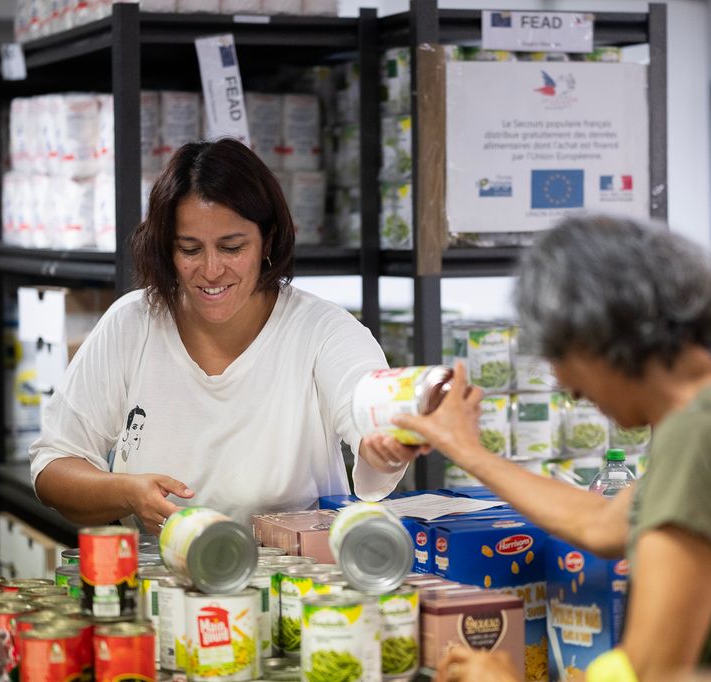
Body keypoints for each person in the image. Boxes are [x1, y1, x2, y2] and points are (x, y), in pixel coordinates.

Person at [394, 215, 711, 682]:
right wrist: (469, 451)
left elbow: (653, 672)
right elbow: (604, 524)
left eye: (560, 356)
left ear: (596, 335)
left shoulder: (704, 437)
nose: (567, 387)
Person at [29, 138, 421, 532]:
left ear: (267, 240)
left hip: (295, 583)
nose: (212, 270)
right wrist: (124, 491)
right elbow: (53, 466)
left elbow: (367, 410)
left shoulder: (324, 331)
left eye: (232, 247)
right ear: (166, 249)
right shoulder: (133, 323)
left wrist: (383, 443)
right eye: (190, 249)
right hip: (160, 585)